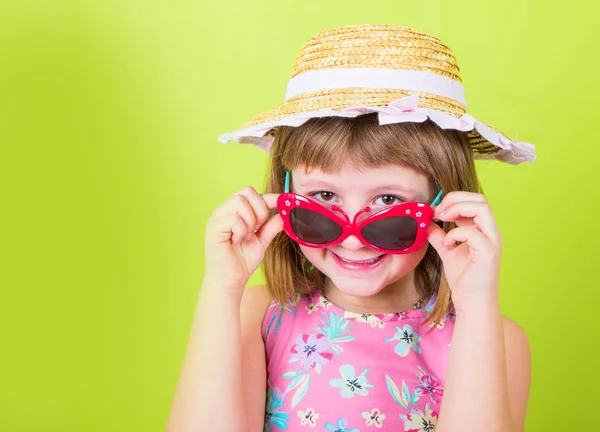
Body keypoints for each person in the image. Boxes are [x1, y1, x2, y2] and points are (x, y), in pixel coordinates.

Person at [167, 24, 535, 432]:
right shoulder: (257, 316)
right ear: (285, 191)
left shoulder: (494, 338)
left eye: (389, 201)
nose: (353, 238)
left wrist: (476, 305)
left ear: (444, 204)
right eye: (324, 197)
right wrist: (221, 289)